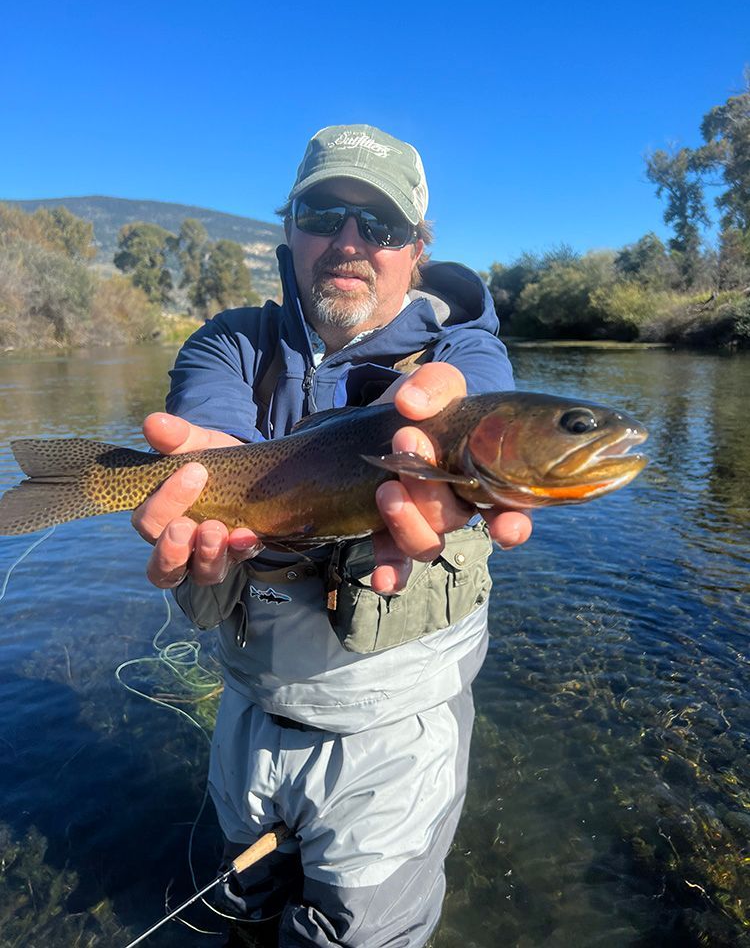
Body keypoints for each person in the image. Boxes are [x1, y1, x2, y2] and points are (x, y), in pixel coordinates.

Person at [132, 124, 532, 948]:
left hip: (394, 742)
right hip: (249, 714)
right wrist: (209, 482)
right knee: (243, 912)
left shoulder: (461, 350)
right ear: (288, 227)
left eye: (379, 226)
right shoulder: (232, 342)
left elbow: (477, 390)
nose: (349, 242)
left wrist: (456, 431)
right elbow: (208, 427)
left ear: (416, 250)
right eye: (324, 213)